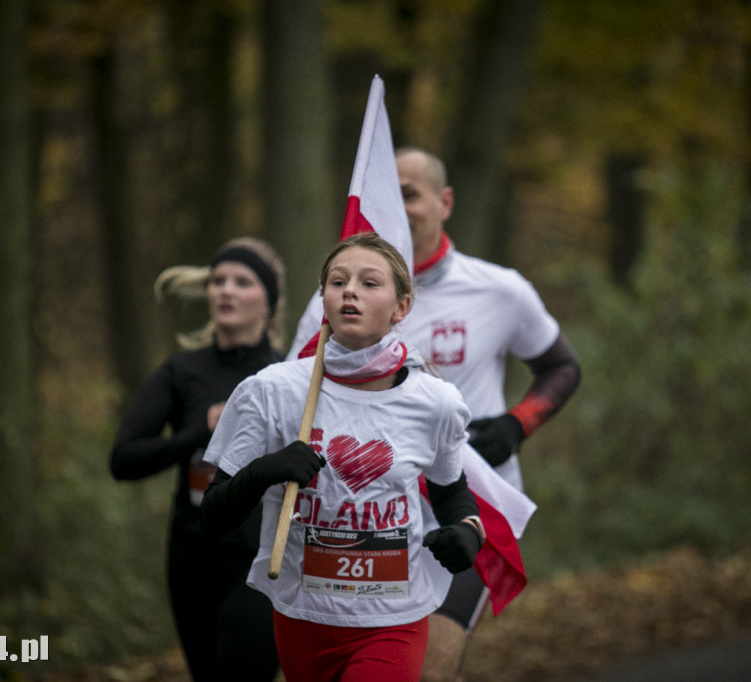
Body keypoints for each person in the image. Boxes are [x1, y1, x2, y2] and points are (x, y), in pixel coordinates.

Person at [287, 147, 582, 681]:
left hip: (463, 506)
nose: (398, 208)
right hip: (367, 517)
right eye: (389, 193)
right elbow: (292, 395)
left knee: (430, 669)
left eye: (411, 194)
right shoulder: (336, 298)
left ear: (444, 202)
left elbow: (562, 368)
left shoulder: (499, 289)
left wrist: (518, 423)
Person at [197, 233, 485, 682]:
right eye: (337, 281)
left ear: (401, 307)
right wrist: (263, 471)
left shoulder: (436, 402)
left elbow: (453, 495)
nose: (350, 290)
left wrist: (468, 532)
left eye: (369, 283)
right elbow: (212, 516)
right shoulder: (272, 391)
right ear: (324, 299)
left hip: (395, 617)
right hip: (302, 613)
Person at [109, 237, 286, 681]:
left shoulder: (289, 376)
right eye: (218, 280)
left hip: (265, 556)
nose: (225, 290)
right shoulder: (181, 372)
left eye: (242, 282)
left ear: (269, 301)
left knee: (241, 672)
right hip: (194, 553)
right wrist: (200, 433)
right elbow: (124, 460)